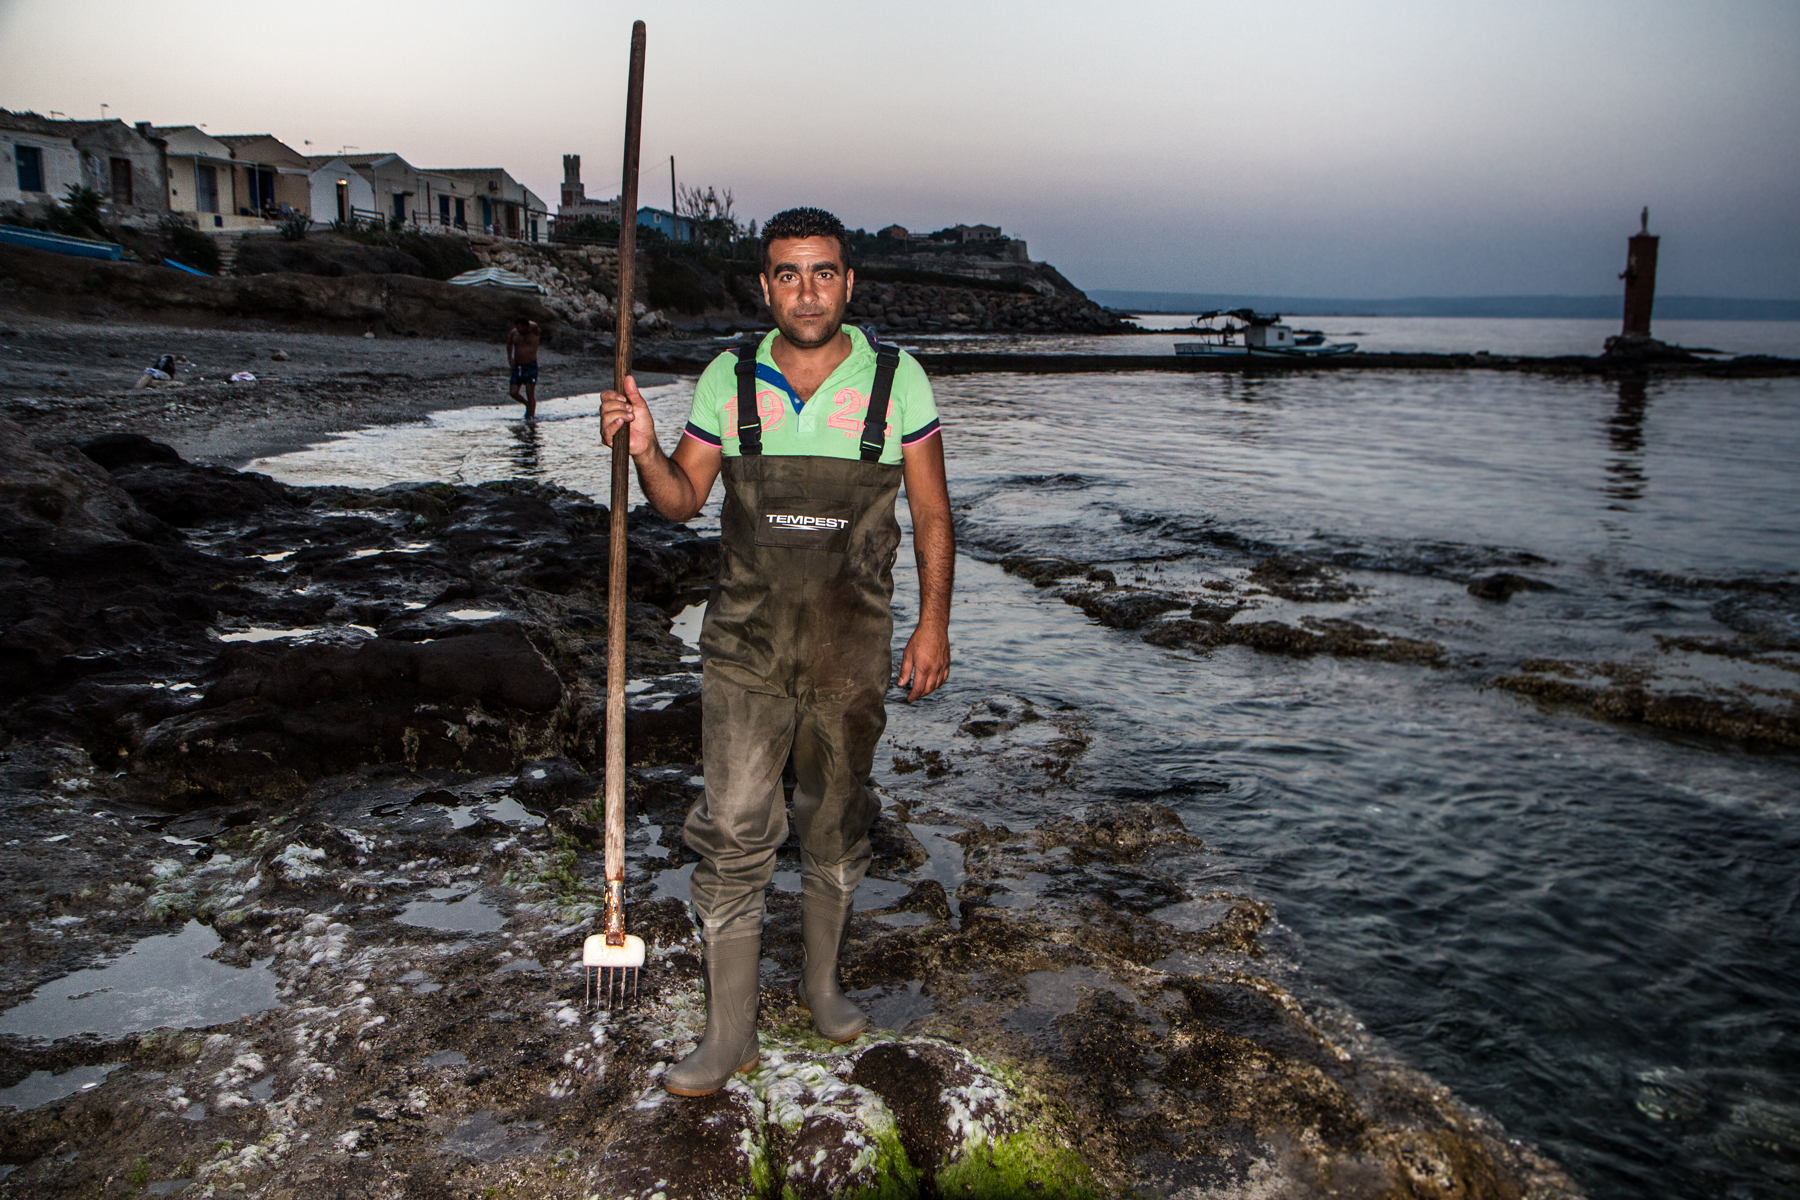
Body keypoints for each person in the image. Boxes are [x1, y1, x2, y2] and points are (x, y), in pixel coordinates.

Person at [600, 207, 953, 1097]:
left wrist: (934, 624)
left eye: (823, 272)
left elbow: (934, 514)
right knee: (735, 831)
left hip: (851, 648)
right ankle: (730, 1035)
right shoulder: (729, 378)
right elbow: (680, 501)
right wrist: (644, 450)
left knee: (836, 816)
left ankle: (823, 986)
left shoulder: (897, 382)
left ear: (849, 283)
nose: (807, 291)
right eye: (788, 274)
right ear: (764, 287)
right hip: (746, 649)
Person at [506, 316, 541, 419]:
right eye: (516, 327)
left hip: (530, 365)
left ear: (525, 326)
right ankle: (527, 404)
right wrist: (510, 358)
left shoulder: (533, 332)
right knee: (513, 392)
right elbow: (509, 344)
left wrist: (528, 323)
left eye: (520, 327)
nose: (518, 330)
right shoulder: (514, 333)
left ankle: (531, 417)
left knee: (530, 392)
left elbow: (536, 325)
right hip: (518, 366)